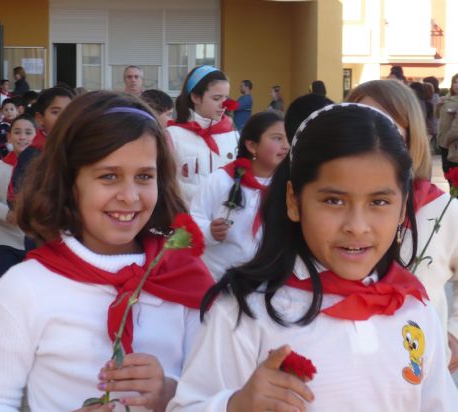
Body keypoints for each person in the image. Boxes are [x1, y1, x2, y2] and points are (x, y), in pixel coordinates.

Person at [167, 104, 458, 412]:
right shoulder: (245, 311)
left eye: (379, 201)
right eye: (334, 200)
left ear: (403, 209)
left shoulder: (412, 303)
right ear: (294, 201)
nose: (356, 226)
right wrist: (235, 405)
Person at [0, 91, 214, 412]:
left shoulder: (184, 277)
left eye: (145, 176)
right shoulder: (24, 289)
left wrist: (170, 394)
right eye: (109, 176)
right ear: (67, 181)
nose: (130, 196)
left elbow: (215, 388)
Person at [347, 79, 458, 371]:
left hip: (420, 368)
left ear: (410, 137)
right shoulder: (328, 211)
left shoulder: (444, 211)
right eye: (358, 124)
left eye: (388, 127)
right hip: (346, 367)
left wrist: (454, 331)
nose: (371, 138)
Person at [190, 111, 289, 280]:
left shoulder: (288, 186)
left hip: (267, 279)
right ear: (252, 146)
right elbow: (194, 220)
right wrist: (209, 231)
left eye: (288, 138)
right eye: (277, 138)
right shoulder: (221, 180)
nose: (286, 145)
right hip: (217, 276)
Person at [167, 65, 239, 205]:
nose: (224, 104)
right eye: (217, 98)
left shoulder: (233, 135)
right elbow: (166, 186)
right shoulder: (172, 136)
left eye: (226, 97)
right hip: (187, 222)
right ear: (195, 97)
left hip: (226, 222)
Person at [0, 115, 36, 285]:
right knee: (3, 283)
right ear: (9, 137)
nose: (23, 137)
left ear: (36, 136)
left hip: (35, 240)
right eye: (17, 132)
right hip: (5, 239)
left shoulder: (43, 168)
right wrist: (6, 213)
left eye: (28, 132)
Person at [7, 87, 74, 221]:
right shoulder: (33, 154)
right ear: (40, 118)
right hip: (43, 227)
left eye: (69, 112)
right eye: (55, 112)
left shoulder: (77, 149)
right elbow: (17, 196)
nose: (64, 118)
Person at [436, 73, 458, 175]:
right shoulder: (446, 98)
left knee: (453, 172)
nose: (456, 85)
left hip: (454, 142)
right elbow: (437, 116)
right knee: (446, 170)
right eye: (455, 82)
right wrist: (438, 106)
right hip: (443, 140)